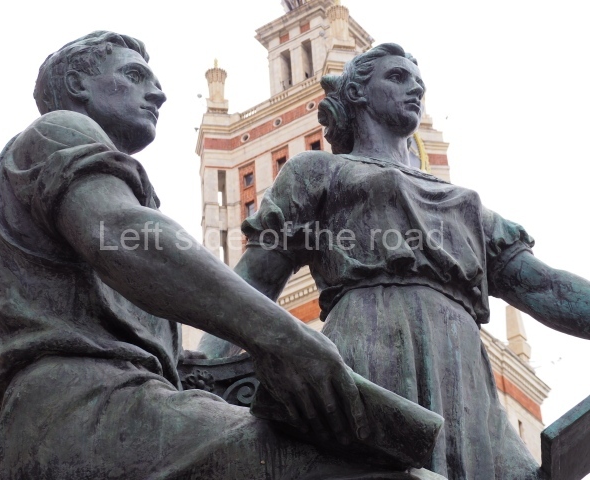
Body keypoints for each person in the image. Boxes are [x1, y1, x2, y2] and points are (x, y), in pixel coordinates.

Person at [0, 31, 432, 480]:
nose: (159, 94)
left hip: (104, 409)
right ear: (77, 85)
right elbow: (130, 238)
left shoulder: (107, 184)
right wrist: (282, 336)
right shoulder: (58, 131)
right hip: (82, 413)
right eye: (133, 76)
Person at [199, 43, 590, 480]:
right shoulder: (318, 172)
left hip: (463, 375)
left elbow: (544, 286)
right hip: (368, 353)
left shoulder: (468, 206)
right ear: (358, 93)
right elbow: (253, 281)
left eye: (419, 83)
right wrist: (197, 372)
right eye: (397, 77)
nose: (415, 89)